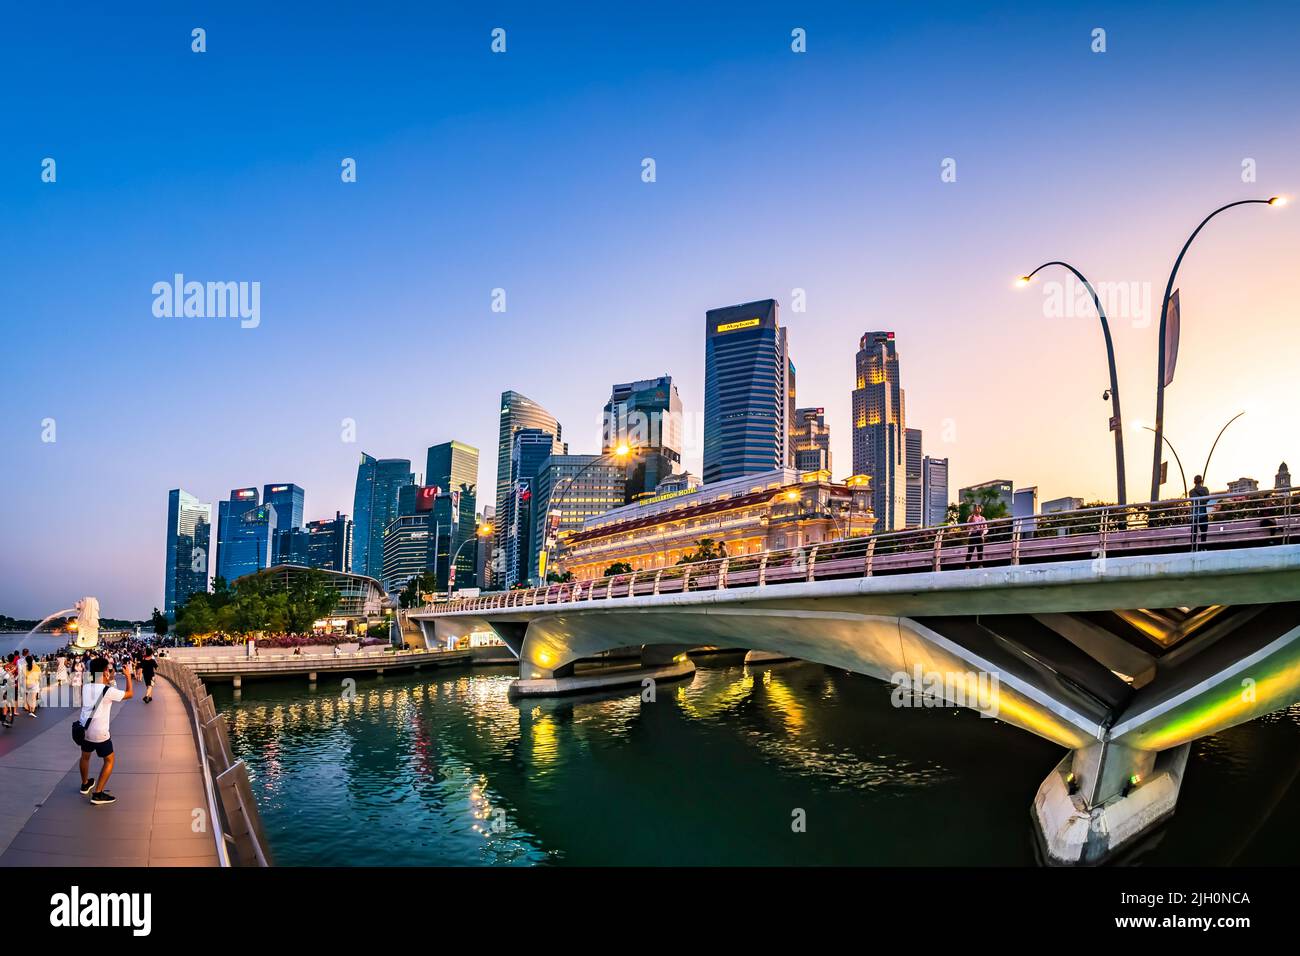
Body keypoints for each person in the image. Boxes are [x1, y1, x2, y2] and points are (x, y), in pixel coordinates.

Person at [77, 657, 133, 806]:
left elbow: (103, 688)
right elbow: (129, 694)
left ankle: (85, 784)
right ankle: (98, 793)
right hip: (100, 733)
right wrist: (128, 676)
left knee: (85, 757)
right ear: (104, 671)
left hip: (85, 730)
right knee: (109, 760)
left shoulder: (86, 686)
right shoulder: (107, 691)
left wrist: (110, 679)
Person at [1190, 475, 1211, 547]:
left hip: (1194, 515)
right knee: (1204, 533)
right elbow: (1207, 499)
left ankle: (1192, 548)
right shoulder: (1205, 489)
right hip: (1203, 514)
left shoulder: (1191, 492)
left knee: (1194, 533)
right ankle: (1203, 548)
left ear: (1194, 482)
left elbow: (1193, 502)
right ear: (1201, 481)